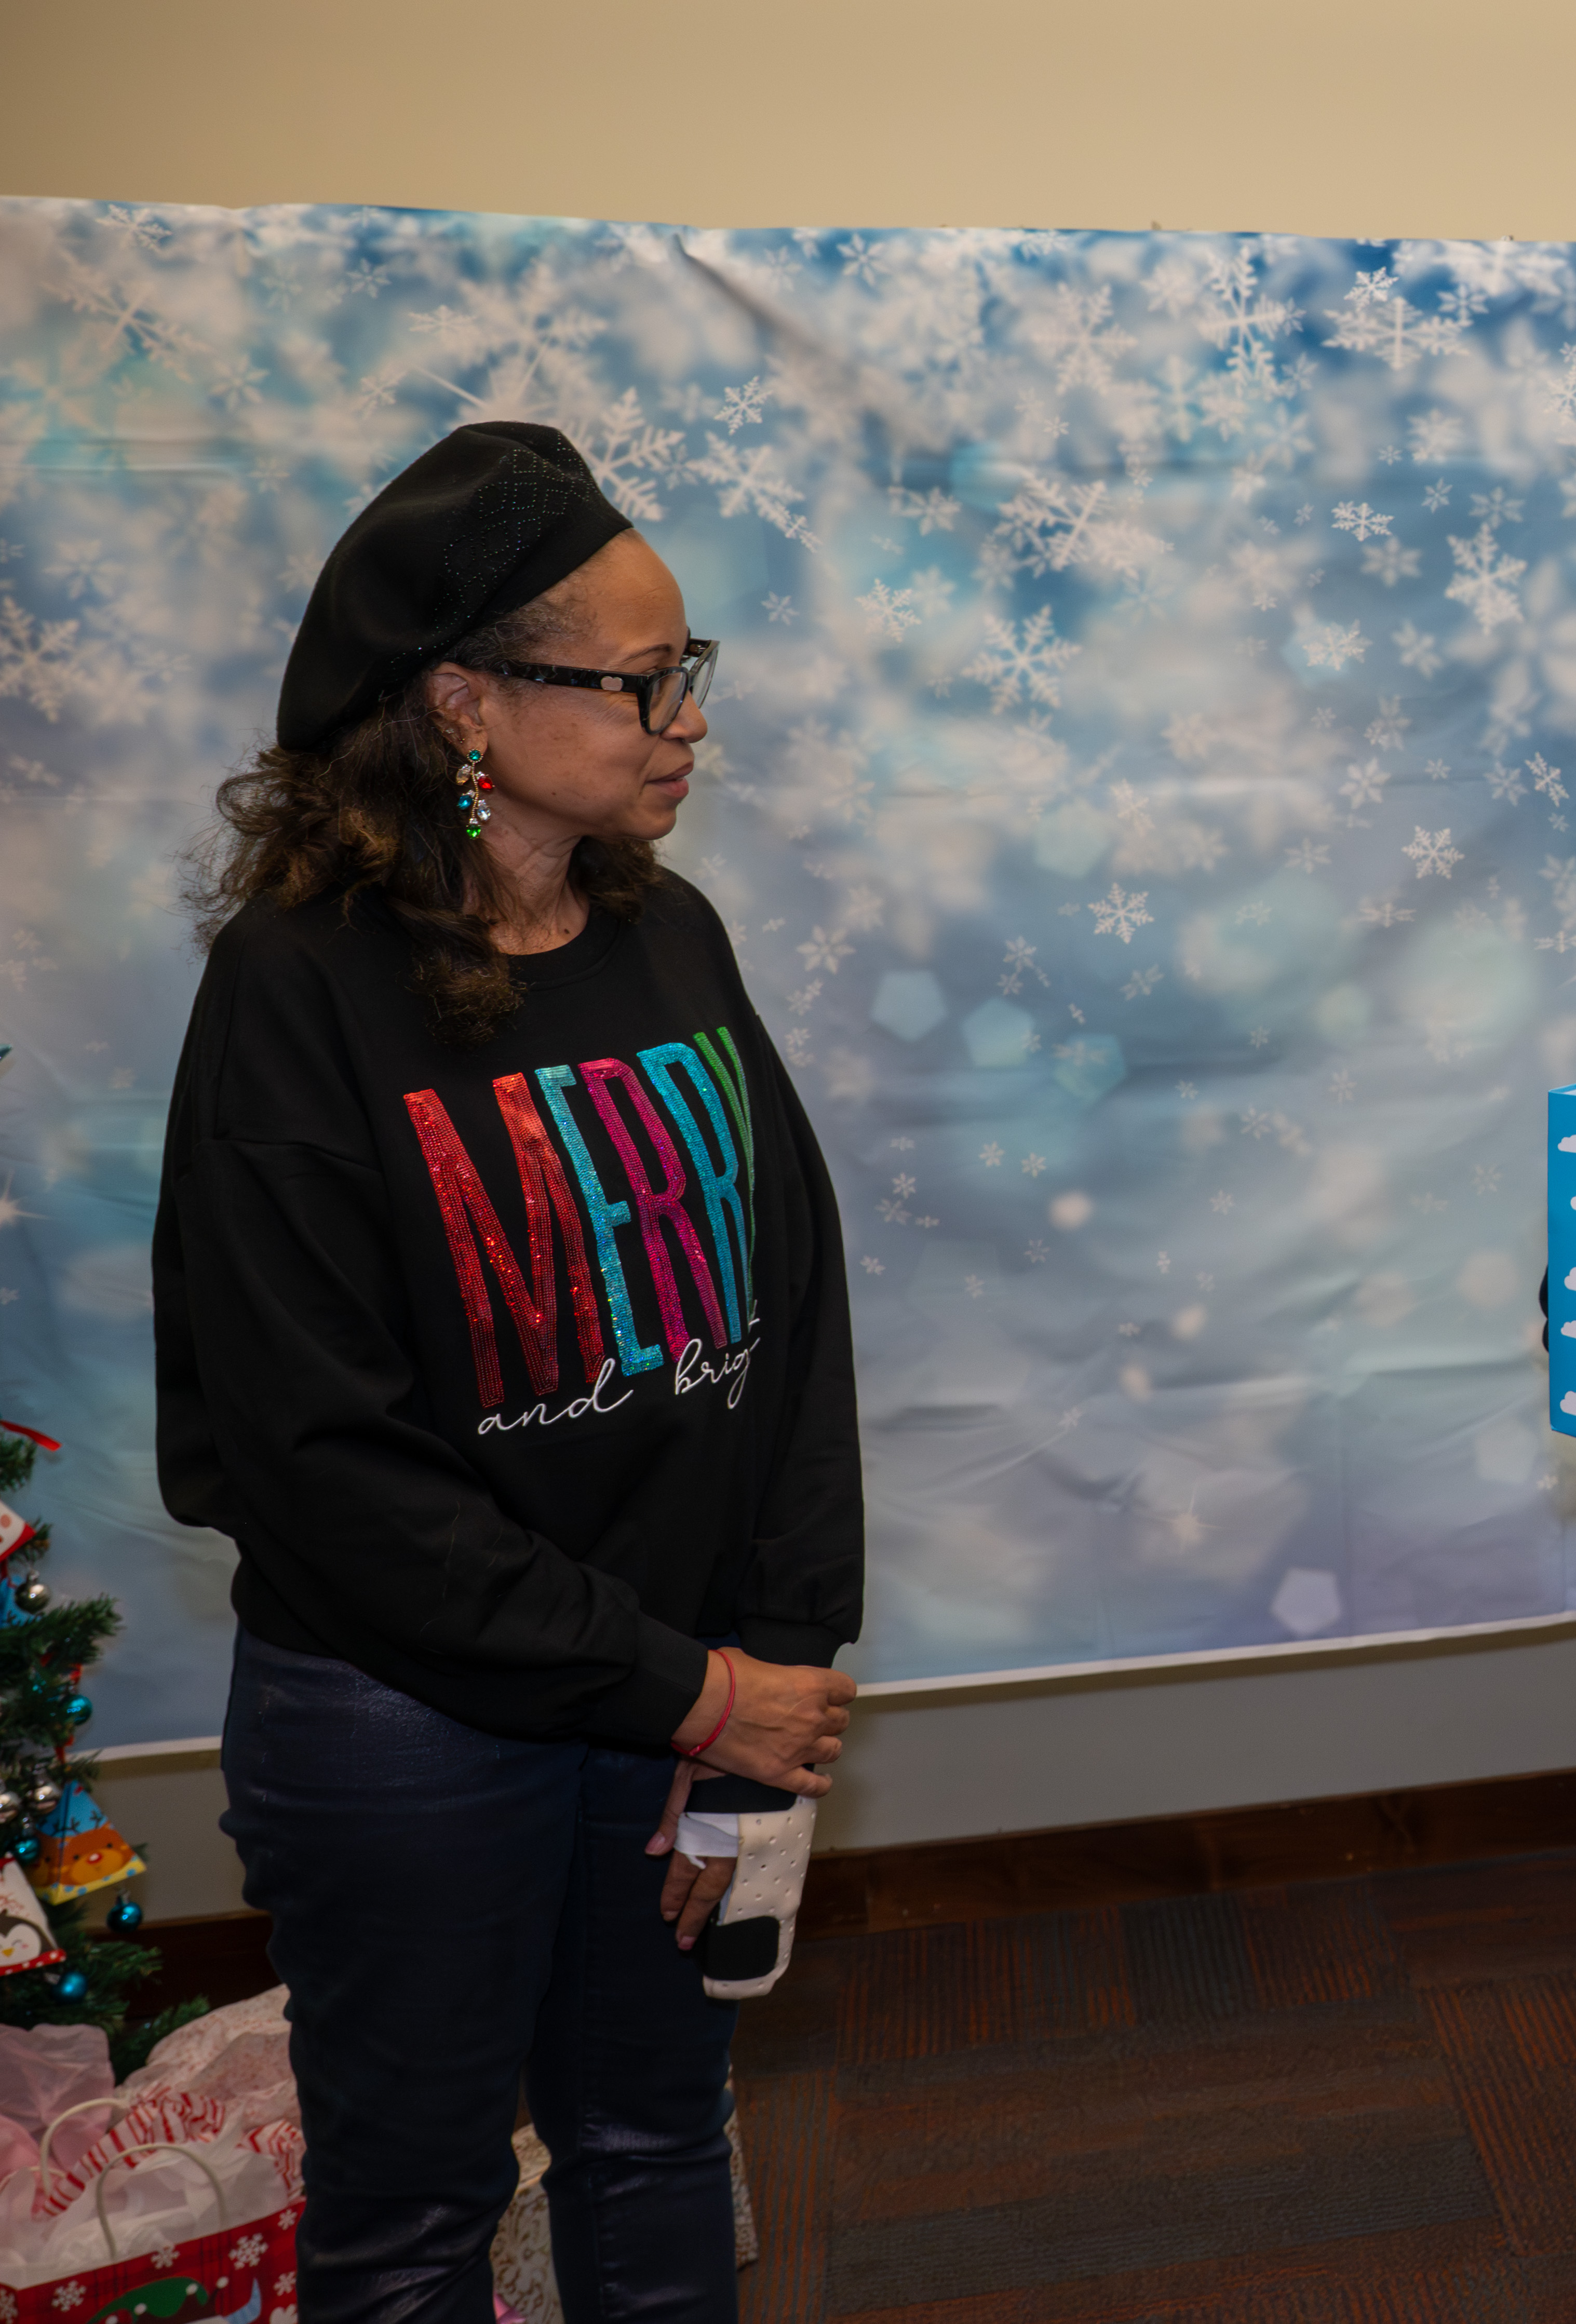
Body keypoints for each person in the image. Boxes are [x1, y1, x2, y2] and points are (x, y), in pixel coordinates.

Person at [154, 422, 864, 2321]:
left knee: (655, 2140)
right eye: (638, 681)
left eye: (684, 672)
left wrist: (764, 1678)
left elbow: (787, 1317)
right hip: (410, 1726)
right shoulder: (297, 992)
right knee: (416, 2208)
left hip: (676, 1704)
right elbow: (322, 1458)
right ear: (465, 700)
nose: (681, 718)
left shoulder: (667, 932)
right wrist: (686, 1687)